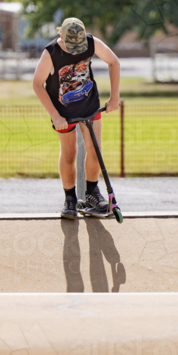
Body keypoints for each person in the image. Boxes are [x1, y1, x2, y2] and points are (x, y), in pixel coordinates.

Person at [32, 17, 120, 218]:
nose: (75, 50)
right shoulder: (50, 53)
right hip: (63, 112)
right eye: (71, 46)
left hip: (89, 105)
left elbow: (113, 62)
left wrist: (114, 97)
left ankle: (92, 194)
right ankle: (70, 199)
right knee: (70, 152)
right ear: (60, 35)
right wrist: (55, 115)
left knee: (95, 149)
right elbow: (37, 84)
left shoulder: (90, 42)